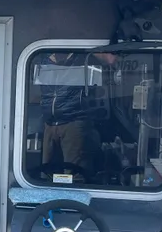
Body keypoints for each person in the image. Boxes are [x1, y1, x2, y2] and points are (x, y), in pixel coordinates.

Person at [37, 51, 116, 180]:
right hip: (49, 123)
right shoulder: (42, 57)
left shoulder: (83, 57)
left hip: (74, 121)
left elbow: (110, 60)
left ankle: (73, 200)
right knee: (46, 173)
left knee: (75, 174)